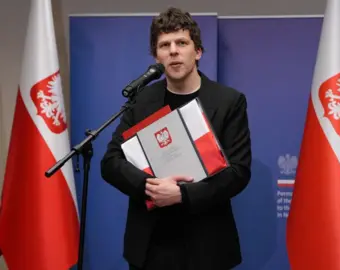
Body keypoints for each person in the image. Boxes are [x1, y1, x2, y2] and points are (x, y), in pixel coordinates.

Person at [100, 7, 252, 270]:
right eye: (164, 45)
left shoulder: (228, 102)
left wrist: (181, 194)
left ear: (198, 51)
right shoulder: (141, 101)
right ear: (157, 57)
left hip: (206, 246)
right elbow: (111, 162)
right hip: (150, 247)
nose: (173, 50)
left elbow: (238, 172)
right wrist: (151, 187)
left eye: (181, 42)